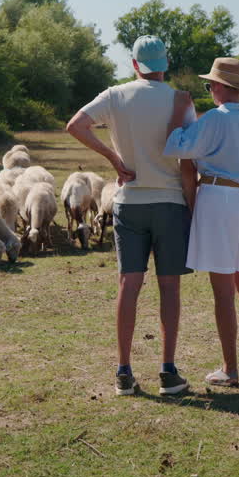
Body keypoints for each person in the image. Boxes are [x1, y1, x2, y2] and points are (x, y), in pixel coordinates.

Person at [65, 35, 197, 396]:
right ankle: (168, 371)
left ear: (135, 64)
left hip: (129, 202)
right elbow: (188, 162)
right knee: (169, 287)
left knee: (129, 284)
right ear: (165, 64)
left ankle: (124, 372)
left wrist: (113, 158)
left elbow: (75, 125)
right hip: (170, 203)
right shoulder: (180, 100)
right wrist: (192, 206)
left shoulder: (115, 96)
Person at [163, 56, 239, 386]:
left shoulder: (214, 118)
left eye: (209, 85)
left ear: (217, 86)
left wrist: (177, 116)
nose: (209, 90)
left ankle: (230, 369)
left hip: (219, 197)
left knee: (223, 290)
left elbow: (175, 147)